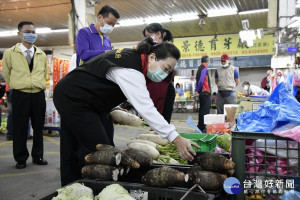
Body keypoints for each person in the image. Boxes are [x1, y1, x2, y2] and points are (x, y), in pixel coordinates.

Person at [53, 38, 199, 186]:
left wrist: (111, 106)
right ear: (153, 57)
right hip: (74, 98)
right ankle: (87, 187)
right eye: (166, 68)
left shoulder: (135, 61)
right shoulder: (131, 69)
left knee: (79, 145)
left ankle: (72, 186)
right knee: (102, 151)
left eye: (169, 71)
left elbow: (101, 83)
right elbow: (146, 107)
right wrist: (175, 138)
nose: (165, 74)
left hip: (86, 100)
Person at [2, 21, 48, 169]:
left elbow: (45, 74)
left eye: (33, 32)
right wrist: (18, 84)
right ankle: (21, 158)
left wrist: (37, 84)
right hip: (20, 94)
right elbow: (7, 74)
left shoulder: (41, 54)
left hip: (38, 94)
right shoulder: (10, 53)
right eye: (28, 32)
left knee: (38, 127)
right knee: (20, 127)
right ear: (19, 34)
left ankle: (38, 156)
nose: (31, 35)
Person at [143, 23, 175, 123]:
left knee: (163, 123)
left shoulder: (168, 48)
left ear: (158, 34)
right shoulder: (150, 48)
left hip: (164, 90)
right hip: (152, 90)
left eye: (149, 36)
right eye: (145, 37)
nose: (147, 38)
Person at [195, 56, 211, 133]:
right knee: (205, 110)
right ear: (207, 61)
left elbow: (197, 81)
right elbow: (201, 81)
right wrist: (198, 91)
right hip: (205, 92)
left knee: (202, 110)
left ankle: (200, 125)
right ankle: (202, 127)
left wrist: (197, 90)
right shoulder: (204, 68)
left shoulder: (199, 68)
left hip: (202, 93)